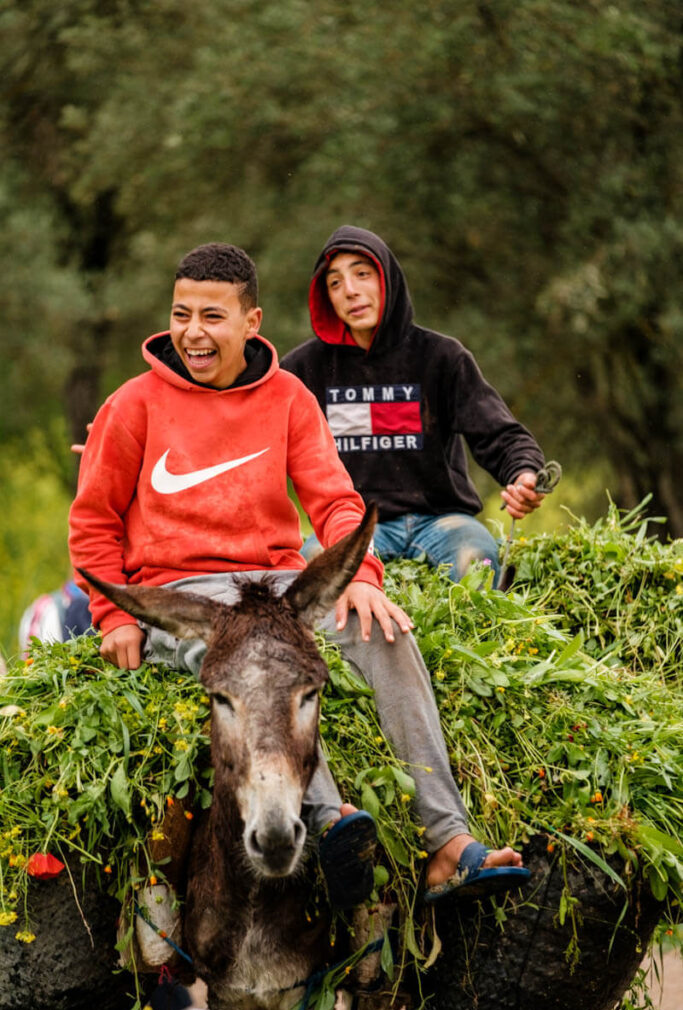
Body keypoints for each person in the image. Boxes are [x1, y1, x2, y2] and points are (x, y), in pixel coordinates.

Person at [69, 242, 528, 907]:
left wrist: (363, 577)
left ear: (252, 322)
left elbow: (336, 501)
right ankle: (327, 818)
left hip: (277, 585)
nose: (193, 332)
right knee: (255, 657)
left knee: (386, 634)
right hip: (181, 595)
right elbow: (91, 523)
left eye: (212, 317)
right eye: (181, 313)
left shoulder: (286, 396)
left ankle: (447, 843)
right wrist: (113, 617)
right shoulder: (132, 405)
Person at [281, 225, 547, 585]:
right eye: (335, 283)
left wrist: (525, 475)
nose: (351, 291)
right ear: (325, 297)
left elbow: (499, 433)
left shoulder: (442, 357)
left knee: (478, 562)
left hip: (442, 520)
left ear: (388, 279)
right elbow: (261, 445)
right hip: (353, 523)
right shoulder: (302, 370)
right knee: (313, 569)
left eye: (362, 274)